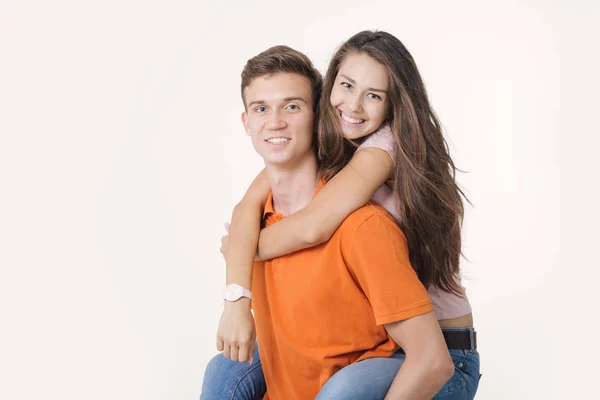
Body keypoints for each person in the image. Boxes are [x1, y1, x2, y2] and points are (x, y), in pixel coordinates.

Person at [206, 30, 481, 399]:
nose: (353, 106)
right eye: (347, 86)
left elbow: (313, 227)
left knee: (345, 387)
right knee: (226, 368)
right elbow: (245, 208)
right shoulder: (327, 137)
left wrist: (246, 248)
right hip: (383, 332)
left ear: (393, 104)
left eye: (373, 95)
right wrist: (237, 299)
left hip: (442, 347)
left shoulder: (382, 148)